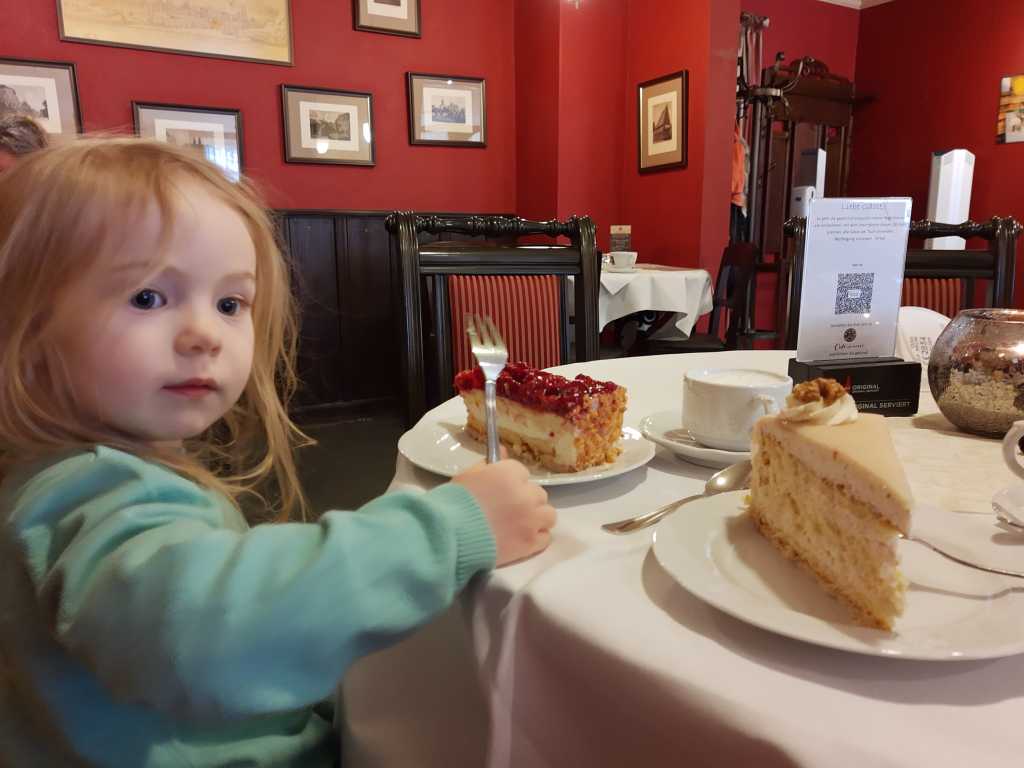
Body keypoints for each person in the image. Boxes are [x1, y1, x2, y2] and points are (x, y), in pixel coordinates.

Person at [0, 137, 556, 767]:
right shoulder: (95, 493)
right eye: (148, 297)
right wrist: (452, 530)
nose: (204, 334)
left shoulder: (58, 471)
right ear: (29, 331)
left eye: (230, 303)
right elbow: (201, 636)